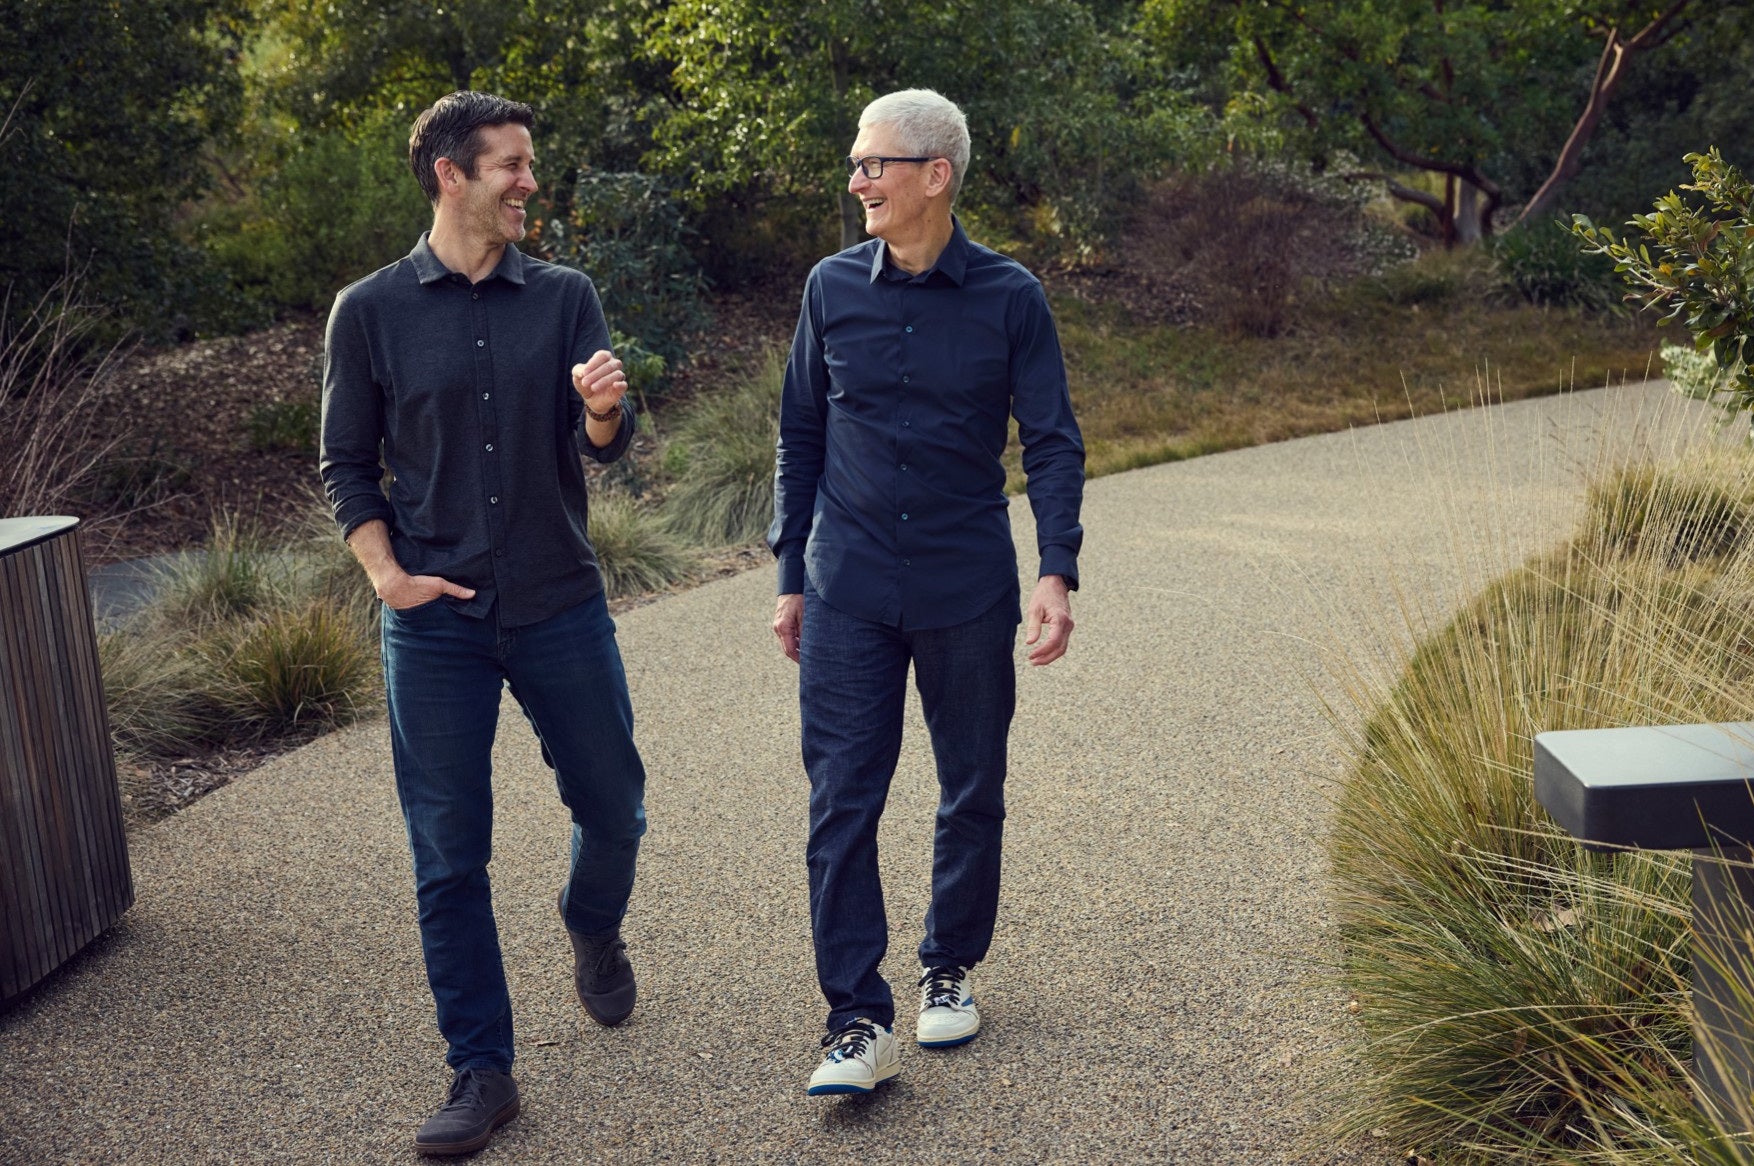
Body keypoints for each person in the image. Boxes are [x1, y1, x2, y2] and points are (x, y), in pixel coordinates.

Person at [320, 90, 649, 1156]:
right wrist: (386, 574)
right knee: (447, 855)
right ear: (449, 174)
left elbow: (603, 440)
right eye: (509, 163)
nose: (528, 182)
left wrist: (602, 406)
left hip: (558, 600)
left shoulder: (564, 296)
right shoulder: (366, 311)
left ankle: (590, 923)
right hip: (435, 623)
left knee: (615, 805)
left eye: (528, 161)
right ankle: (482, 1067)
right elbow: (344, 464)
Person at [768, 88, 1085, 1096]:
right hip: (847, 586)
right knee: (840, 801)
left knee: (970, 784)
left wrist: (1054, 568)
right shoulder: (829, 288)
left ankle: (948, 964)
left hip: (963, 584)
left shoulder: (1008, 296)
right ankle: (854, 1020)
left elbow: (1050, 442)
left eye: (873, 164)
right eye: (855, 164)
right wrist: (788, 577)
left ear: (933, 176)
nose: (855, 180)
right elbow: (799, 436)